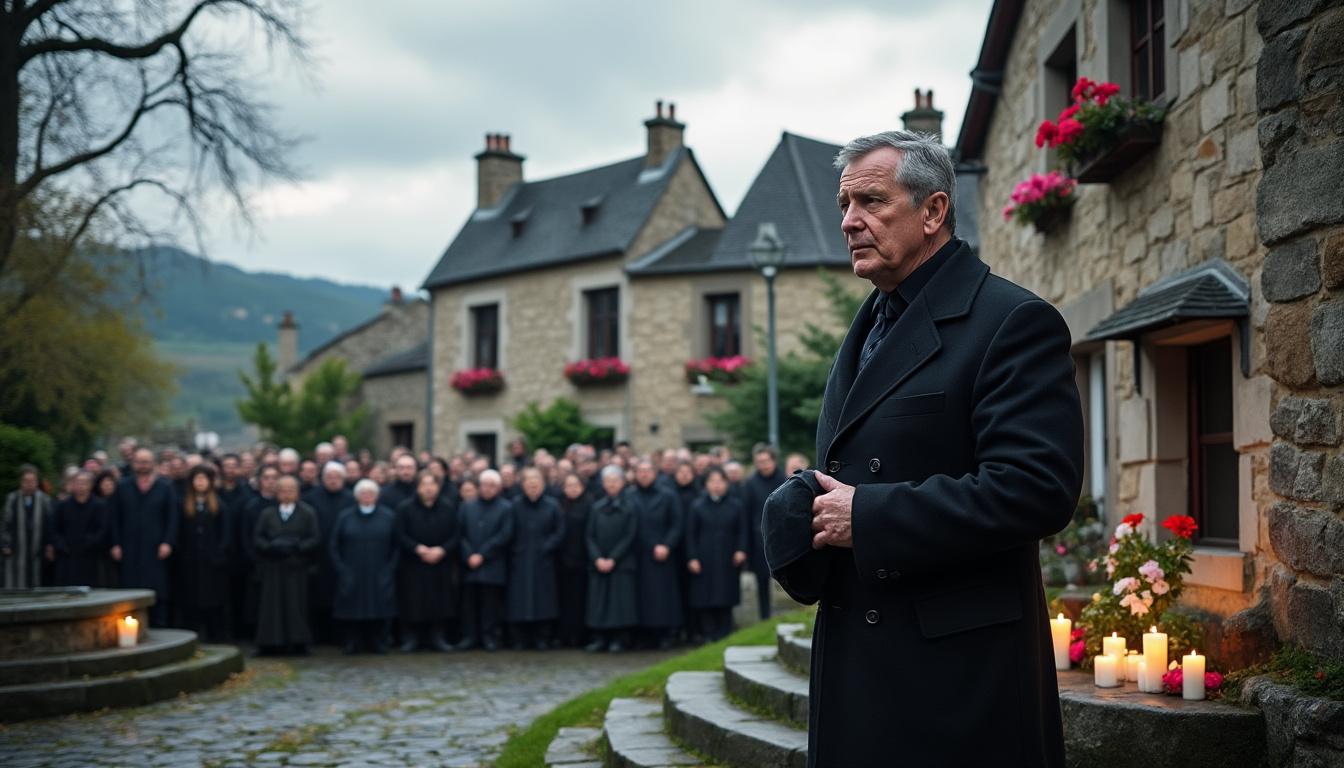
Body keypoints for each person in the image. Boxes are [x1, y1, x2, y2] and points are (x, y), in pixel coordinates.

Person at [774, 130, 1083, 766]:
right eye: (843, 205)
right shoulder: (872, 321)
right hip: (863, 660)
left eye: (871, 202)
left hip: (954, 676)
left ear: (934, 211)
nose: (849, 221)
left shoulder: (1011, 321)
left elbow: (1037, 489)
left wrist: (869, 516)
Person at [253, 475, 320, 655]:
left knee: (296, 606)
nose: (287, 494)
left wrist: (296, 547)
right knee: (271, 607)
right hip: (273, 567)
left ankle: (298, 642)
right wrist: (271, 547)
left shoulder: (307, 513)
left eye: (291, 490)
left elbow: (315, 538)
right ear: (277, 493)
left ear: (297, 493)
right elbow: (258, 537)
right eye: (282, 490)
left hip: (296, 567)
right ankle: (270, 643)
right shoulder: (267, 513)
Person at [109, 449, 178, 625]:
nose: (143, 465)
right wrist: (115, 543)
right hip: (129, 547)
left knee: (157, 589)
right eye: (139, 461)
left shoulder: (165, 486)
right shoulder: (123, 486)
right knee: (130, 589)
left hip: (156, 547)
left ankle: (159, 626)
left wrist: (168, 542)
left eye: (146, 461)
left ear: (153, 463)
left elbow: (172, 517)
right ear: (134, 464)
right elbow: (114, 517)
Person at [330, 479, 399, 654]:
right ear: (357, 496)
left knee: (378, 606)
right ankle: (353, 642)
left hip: (379, 570)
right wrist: (341, 568)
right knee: (353, 607)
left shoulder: (388, 516)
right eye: (363, 493)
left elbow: (397, 546)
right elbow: (334, 545)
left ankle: (378, 641)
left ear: (376, 496)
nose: (367, 496)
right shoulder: (345, 516)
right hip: (352, 570)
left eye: (371, 493)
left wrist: (390, 568)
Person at [395, 471, 458, 653]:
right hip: (414, 563)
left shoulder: (448, 508)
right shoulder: (405, 508)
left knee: (440, 601)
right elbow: (400, 533)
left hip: (440, 562)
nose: (428, 488)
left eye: (432, 484)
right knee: (414, 601)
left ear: (438, 487)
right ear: (418, 487)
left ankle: (437, 637)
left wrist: (443, 549)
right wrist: (417, 548)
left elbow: (456, 534)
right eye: (424, 485)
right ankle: (413, 637)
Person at [685, 467, 748, 642]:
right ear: (706, 485)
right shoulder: (697, 506)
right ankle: (708, 633)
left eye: (720, 482)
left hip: (728, 557)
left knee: (725, 594)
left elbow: (742, 531)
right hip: (704, 557)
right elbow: (690, 534)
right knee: (705, 596)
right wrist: (692, 557)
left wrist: (741, 550)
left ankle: (725, 631)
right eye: (712, 482)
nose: (717, 486)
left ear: (726, 484)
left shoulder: (736, 505)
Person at [506, 467, 564, 650]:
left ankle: (542, 638)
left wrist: (548, 546)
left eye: (536, 481)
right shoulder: (514, 505)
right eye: (529, 481)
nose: (532, 485)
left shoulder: (552, 505)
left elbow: (560, 531)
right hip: (520, 559)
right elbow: (508, 531)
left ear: (542, 484)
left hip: (544, 560)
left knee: (544, 601)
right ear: (522, 485)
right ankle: (520, 639)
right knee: (519, 601)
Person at [455, 469, 514, 651]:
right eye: (484, 485)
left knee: (491, 605)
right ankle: (470, 636)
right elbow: (459, 534)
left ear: (498, 488)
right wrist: (469, 554)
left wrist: (482, 554)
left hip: (492, 564)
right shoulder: (467, 506)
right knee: (469, 604)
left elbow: (505, 535)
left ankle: (489, 636)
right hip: (470, 564)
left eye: (492, 486)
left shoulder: (505, 508)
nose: (487, 489)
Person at [628, 459, 683, 649]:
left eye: (647, 471)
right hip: (637, 554)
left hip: (662, 554)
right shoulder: (629, 495)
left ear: (654, 473)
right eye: (640, 471)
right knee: (640, 597)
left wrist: (667, 545)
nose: (644, 474)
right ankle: (644, 635)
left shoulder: (668, 495)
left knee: (662, 597)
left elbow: (677, 523)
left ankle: (664, 635)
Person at [173, 465, 232, 641]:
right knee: (191, 602)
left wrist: (219, 554)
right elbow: (179, 532)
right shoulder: (184, 504)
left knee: (213, 602)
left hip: (212, 564)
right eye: (197, 479)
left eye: (203, 479)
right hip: (190, 563)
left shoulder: (219, 505)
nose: (200, 483)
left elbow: (226, 534)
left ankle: (216, 635)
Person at [584, 466, 638, 653]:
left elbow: (630, 535)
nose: (612, 484)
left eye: (615, 481)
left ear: (622, 483)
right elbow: (589, 535)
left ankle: (619, 639)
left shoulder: (630, 507)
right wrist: (597, 557)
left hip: (620, 563)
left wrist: (613, 558)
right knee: (599, 603)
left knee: (619, 604)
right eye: (608, 481)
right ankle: (600, 638)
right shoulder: (596, 507)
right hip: (599, 562)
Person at [304, 462, 355, 644]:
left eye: (337, 477)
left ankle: (340, 635)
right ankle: (319, 635)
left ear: (343, 479)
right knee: (319, 597)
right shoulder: (311, 498)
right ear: (323, 478)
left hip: (344, 555)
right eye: (329, 477)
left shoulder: (351, 499)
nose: (333, 481)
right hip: (319, 555)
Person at [742, 444, 786, 620]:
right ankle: (765, 617)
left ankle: (786, 615)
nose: (764, 464)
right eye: (759, 461)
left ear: (773, 460)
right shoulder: (750, 484)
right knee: (761, 580)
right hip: (758, 540)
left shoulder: (784, 480)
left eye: (766, 460)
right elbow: (745, 515)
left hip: (781, 537)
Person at [49, 471, 110, 587]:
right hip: (67, 558)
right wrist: (62, 545)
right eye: (78, 483)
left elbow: (102, 530)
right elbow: (54, 529)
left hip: (91, 559)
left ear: (91, 485)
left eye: (84, 483)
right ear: (72, 484)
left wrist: (88, 544)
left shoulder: (100, 506)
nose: (81, 486)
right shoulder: (62, 506)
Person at [555, 473, 592, 648]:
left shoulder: (589, 505)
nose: (572, 489)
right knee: (564, 600)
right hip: (562, 560)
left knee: (580, 600)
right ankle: (564, 635)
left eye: (575, 485)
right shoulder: (559, 505)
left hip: (582, 560)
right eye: (568, 485)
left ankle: (580, 636)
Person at [2, 465, 53, 588]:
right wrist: (5, 544)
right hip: (17, 552)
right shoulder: (12, 499)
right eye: (26, 481)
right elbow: (5, 524)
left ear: (36, 482)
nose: (29, 484)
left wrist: (49, 545)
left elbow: (51, 525)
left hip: (38, 552)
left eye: (32, 481)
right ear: (21, 482)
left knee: (37, 583)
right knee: (16, 584)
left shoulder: (44, 500)